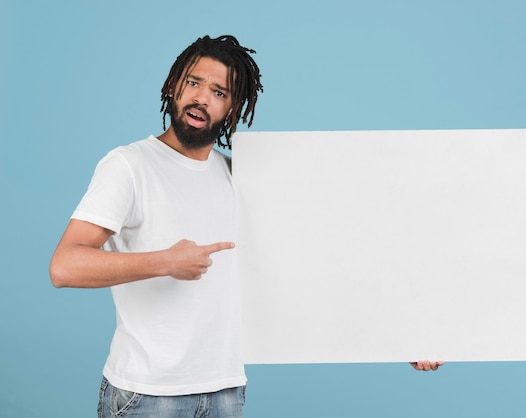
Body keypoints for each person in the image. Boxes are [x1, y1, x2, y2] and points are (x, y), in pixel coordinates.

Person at [50, 34, 441, 418]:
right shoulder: (128, 166)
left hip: (225, 392)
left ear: (233, 110)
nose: (202, 97)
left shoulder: (238, 176)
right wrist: (166, 262)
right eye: (194, 83)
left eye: (219, 92)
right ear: (173, 86)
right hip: (149, 396)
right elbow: (65, 266)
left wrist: (400, 338)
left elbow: (316, 263)